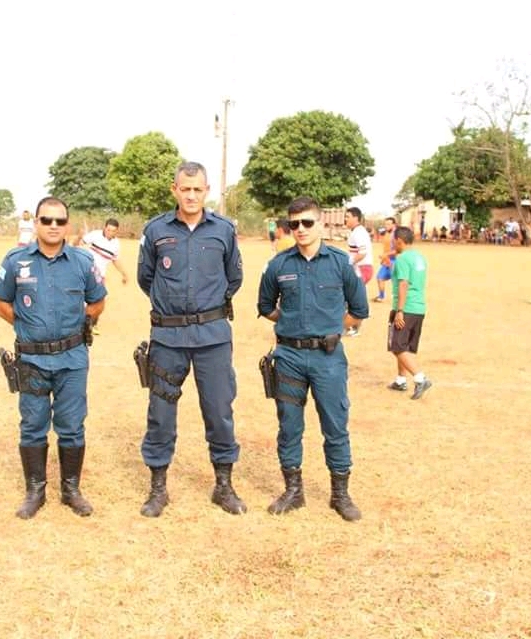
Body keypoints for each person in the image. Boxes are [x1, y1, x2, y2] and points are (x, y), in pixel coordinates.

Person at [136, 161, 245, 518]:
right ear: (175, 190)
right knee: (161, 413)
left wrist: (206, 308)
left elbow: (234, 278)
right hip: (168, 337)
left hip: (213, 337)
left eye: (198, 189)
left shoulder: (224, 230)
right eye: (186, 189)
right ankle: (158, 488)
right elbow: (146, 278)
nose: (192, 195)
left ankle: (223, 485)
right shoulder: (156, 231)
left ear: (207, 191)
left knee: (219, 410)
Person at [0, 196, 107, 519]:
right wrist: (27, 326)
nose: (53, 226)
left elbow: (98, 301)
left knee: (72, 425)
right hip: (32, 360)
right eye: (46, 220)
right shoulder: (16, 261)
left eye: (60, 221)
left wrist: (84, 324)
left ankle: (71, 490)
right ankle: (35, 491)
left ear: (67, 225)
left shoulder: (83, 262)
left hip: (72, 358)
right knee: (32, 425)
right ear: (36, 223)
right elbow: (1, 303)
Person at [257, 196, 369, 521]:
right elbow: (266, 307)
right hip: (289, 357)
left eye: (307, 222)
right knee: (289, 426)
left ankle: (340, 494)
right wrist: (292, 324)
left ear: (321, 223)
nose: (301, 229)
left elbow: (359, 310)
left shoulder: (340, 263)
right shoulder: (278, 265)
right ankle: (293, 491)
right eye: (294, 224)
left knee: (335, 426)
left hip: (328, 358)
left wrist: (331, 328)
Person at [386, 227, 433, 400]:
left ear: (399, 240)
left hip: (406, 308)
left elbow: (404, 284)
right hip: (419, 308)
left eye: (393, 240)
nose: (392, 242)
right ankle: (401, 380)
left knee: (397, 346)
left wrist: (400, 311)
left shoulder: (403, 259)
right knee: (405, 346)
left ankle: (420, 379)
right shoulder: (420, 258)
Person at [344, 207, 373, 336]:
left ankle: (353, 327)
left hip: (362, 268)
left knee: (352, 297)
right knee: (352, 297)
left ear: (356, 218)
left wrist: (348, 263)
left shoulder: (358, 233)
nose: (345, 219)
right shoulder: (356, 232)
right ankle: (352, 326)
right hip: (361, 268)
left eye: (348, 217)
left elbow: (362, 253)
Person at [374, 217, 397, 302]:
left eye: (389, 224)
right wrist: (384, 258)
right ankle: (381, 296)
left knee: (396, 281)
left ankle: (397, 298)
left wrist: (386, 255)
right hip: (386, 261)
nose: (386, 226)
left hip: (395, 261)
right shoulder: (386, 234)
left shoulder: (397, 235)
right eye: (386, 224)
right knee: (380, 277)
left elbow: (398, 250)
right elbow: (386, 248)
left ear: (394, 225)